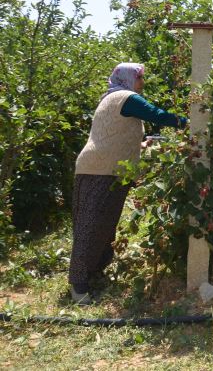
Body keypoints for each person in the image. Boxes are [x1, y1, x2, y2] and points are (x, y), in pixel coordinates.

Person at [69, 63, 187, 304]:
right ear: (128, 79)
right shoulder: (126, 97)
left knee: (104, 224)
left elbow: (115, 134)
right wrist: (192, 122)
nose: (142, 82)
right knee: (91, 227)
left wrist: (141, 145)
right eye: (140, 77)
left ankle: (93, 273)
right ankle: (78, 285)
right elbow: (157, 114)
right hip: (99, 171)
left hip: (105, 170)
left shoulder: (113, 98)